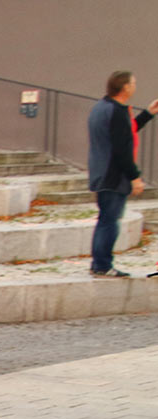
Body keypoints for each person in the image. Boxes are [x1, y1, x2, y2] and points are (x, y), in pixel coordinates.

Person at [87, 71, 158, 277]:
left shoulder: (102, 107)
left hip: (102, 172)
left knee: (105, 219)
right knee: (110, 221)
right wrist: (134, 176)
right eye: (133, 83)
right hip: (113, 174)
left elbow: (125, 132)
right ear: (125, 87)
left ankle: (99, 263)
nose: (135, 86)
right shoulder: (116, 111)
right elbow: (121, 147)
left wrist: (148, 114)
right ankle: (102, 264)